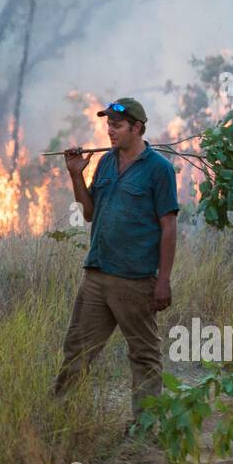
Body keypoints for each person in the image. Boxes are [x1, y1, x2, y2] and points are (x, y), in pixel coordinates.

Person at [53, 97, 179, 429]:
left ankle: (145, 428)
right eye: (108, 124)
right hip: (97, 274)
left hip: (135, 280)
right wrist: (76, 176)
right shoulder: (106, 163)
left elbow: (168, 226)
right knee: (76, 352)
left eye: (117, 125)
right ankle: (60, 421)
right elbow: (90, 213)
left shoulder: (159, 169)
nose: (110, 131)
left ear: (137, 128)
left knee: (144, 356)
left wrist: (163, 280)